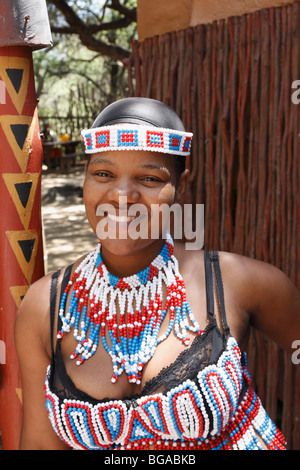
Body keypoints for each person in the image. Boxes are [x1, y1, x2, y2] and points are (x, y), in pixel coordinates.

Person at [15, 97, 300, 450]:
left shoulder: (238, 282)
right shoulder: (46, 306)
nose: (122, 196)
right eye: (103, 173)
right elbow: (40, 444)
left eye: (150, 178)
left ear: (180, 186)